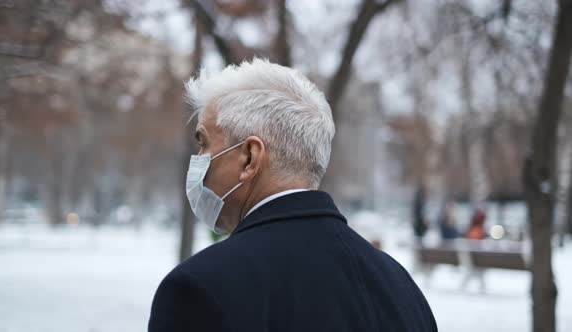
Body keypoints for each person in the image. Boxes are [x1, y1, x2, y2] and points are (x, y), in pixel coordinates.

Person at [148, 59, 437, 332]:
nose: (198, 160)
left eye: (203, 143)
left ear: (250, 158)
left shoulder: (199, 289)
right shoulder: (400, 286)